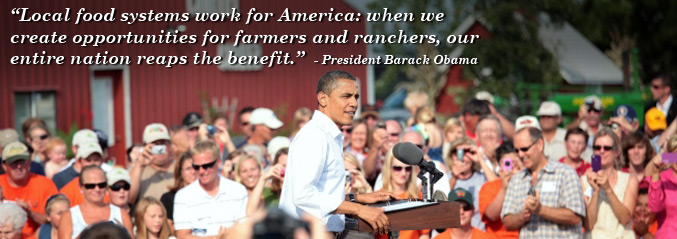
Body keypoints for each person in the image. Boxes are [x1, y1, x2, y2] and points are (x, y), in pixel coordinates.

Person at [279, 71, 393, 235]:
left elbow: (323, 193)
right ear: (323, 99)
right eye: (346, 96)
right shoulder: (314, 135)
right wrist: (359, 209)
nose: (354, 103)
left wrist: (359, 198)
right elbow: (303, 195)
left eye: (356, 97)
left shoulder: (329, 135)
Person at [501, 127, 586, 238]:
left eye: (525, 149)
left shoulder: (565, 173)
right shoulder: (516, 180)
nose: (520, 155)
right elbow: (507, 221)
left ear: (540, 144)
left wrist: (540, 209)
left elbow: (575, 217)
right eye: (517, 150)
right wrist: (522, 216)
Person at [173, 140, 249, 238]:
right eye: (196, 167)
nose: (201, 171)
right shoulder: (183, 196)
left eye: (206, 166)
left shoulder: (238, 191)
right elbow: (182, 235)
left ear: (218, 163)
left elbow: (245, 228)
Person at [581, 128, 638, 238]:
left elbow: (625, 219)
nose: (601, 151)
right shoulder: (584, 181)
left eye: (607, 148)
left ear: (616, 152)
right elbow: (589, 224)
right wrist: (595, 191)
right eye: (597, 147)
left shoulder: (630, 180)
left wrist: (608, 189)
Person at [0, 141, 58, 239]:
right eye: (14, 163)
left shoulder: (45, 184)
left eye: (22, 161)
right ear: (4, 166)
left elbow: (55, 221)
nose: (19, 166)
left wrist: (29, 212)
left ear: (29, 162)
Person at [59, 166, 134, 239]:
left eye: (101, 185)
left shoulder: (121, 214)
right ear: (81, 187)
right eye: (90, 186)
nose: (97, 189)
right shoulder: (70, 216)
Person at [375, 149, 430, 239]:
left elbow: (424, 234)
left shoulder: (418, 197)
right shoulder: (376, 197)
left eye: (407, 168)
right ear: (389, 168)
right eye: (398, 168)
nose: (403, 173)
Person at [478, 142, 522, 239]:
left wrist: (523, 177)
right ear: (499, 166)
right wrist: (504, 188)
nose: (512, 166)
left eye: (515, 162)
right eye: (507, 163)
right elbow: (491, 215)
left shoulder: (530, 182)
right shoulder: (489, 187)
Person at [445, 137, 487, 230]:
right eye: (458, 153)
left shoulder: (482, 177)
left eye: (467, 153)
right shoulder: (444, 179)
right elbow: (440, 202)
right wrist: (454, 177)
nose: (462, 158)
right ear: (451, 156)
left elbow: (497, 187)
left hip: (477, 232)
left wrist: (480, 159)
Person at [130, 123, 176, 203]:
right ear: (145, 147)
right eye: (154, 145)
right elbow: (129, 198)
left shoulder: (180, 168)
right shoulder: (137, 171)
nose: (159, 149)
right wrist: (139, 165)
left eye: (162, 143)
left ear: (169, 144)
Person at [645, 135, 677, 238]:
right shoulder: (662, 178)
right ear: (671, 157)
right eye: (676, 156)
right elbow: (655, 208)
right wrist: (655, 174)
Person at [58, 142, 107, 206]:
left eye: (96, 160)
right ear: (79, 162)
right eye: (88, 160)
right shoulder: (68, 191)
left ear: (102, 161)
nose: (92, 163)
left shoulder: (113, 187)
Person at [159, 150, 196, 233]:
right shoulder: (169, 198)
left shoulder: (207, 194)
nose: (193, 172)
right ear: (180, 172)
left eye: (195, 167)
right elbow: (167, 230)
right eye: (188, 169)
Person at [245, 150, 285, 215]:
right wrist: (263, 179)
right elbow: (250, 212)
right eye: (283, 165)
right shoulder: (268, 192)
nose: (287, 169)